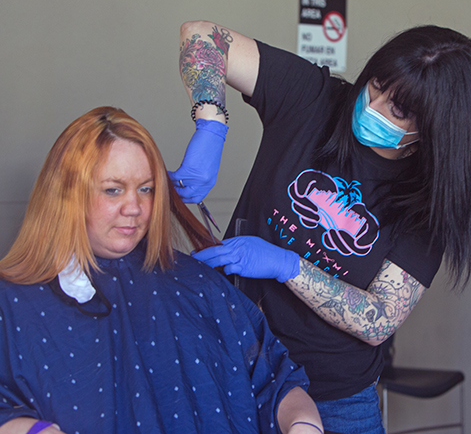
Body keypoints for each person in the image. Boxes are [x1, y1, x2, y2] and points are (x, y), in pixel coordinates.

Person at [171, 21, 471, 433]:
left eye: (397, 110)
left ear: (437, 127)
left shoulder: (430, 200)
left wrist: (288, 266)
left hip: (335, 399)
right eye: (376, 84)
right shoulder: (314, 98)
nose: (371, 105)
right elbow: (203, 35)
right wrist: (210, 123)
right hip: (235, 365)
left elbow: (378, 320)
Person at [0, 106, 325, 434]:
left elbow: (276, 379)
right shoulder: (13, 301)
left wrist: (302, 424)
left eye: (146, 188)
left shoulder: (198, 284)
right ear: (67, 194)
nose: (135, 208)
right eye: (113, 189)